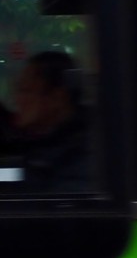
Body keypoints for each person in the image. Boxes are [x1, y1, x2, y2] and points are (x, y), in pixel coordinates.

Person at [12, 49, 91, 192]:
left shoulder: (81, 158)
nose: (17, 100)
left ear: (57, 98)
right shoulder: (36, 145)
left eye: (26, 90)